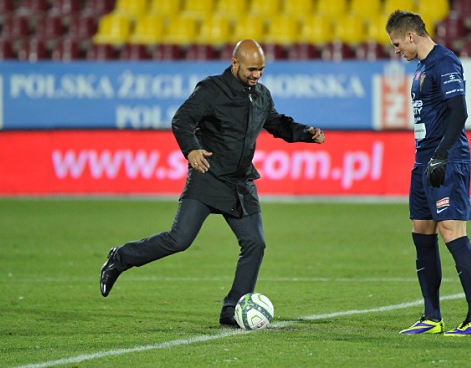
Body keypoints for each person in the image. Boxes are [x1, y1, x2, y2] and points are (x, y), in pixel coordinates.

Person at [99, 39, 326, 328]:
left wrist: (306, 133)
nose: (257, 75)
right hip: (208, 176)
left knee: (255, 244)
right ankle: (121, 257)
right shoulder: (211, 90)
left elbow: (277, 124)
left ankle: (232, 309)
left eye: (261, 70)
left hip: (240, 182)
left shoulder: (262, 96)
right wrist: (191, 149)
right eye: (251, 69)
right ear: (235, 64)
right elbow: (181, 119)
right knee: (178, 240)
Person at [385, 10, 471, 336]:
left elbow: (459, 111)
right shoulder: (421, 68)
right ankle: (431, 316)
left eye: (398, 43)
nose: (397, 50)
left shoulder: (445, 63)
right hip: (423, 159)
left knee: (450, 229)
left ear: (412, 36)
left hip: (447, 157)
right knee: (422, 229)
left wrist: (442, 154)